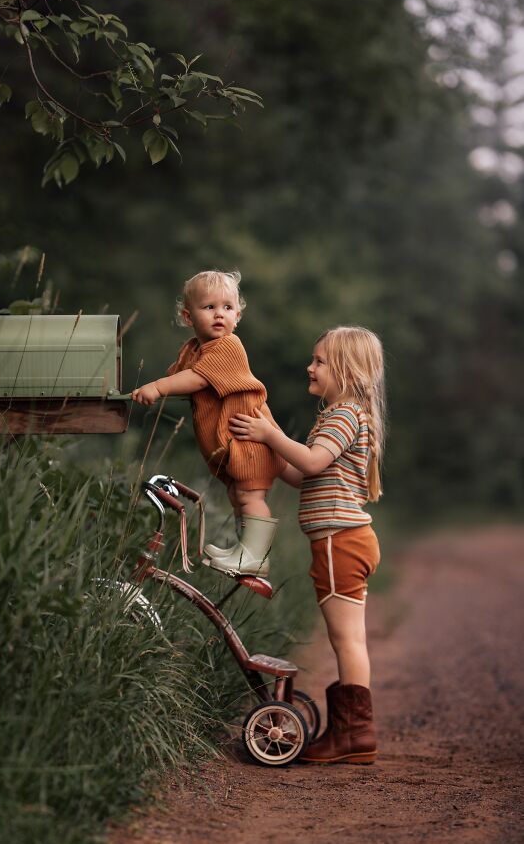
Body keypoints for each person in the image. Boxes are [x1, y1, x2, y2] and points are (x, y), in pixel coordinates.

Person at [223, 326, 386, 764]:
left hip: (340, 542)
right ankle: (351, 732)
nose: (309, 367)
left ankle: (354, 735)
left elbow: (312, 460)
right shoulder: (339, 416)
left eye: (319, 361)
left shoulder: (343, 415)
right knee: (347, 638)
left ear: (347, 371)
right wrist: (269, 447)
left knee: (348, 640)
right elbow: (303, 475)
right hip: (343, 542)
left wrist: (272, 436)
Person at [131, 270, 286, 578]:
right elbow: (182, 372)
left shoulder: (229, 346)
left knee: (251, 497)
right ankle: (245, 550)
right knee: (238, 496)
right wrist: (163, 382)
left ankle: (256, 556)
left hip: (251, 438)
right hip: (234, 447)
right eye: (209, 307)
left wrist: (159, 387)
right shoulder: (195, 349)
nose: (219, 315)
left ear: (238, 316)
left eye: (227, 308)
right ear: (188, 316)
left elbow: (197, 378)